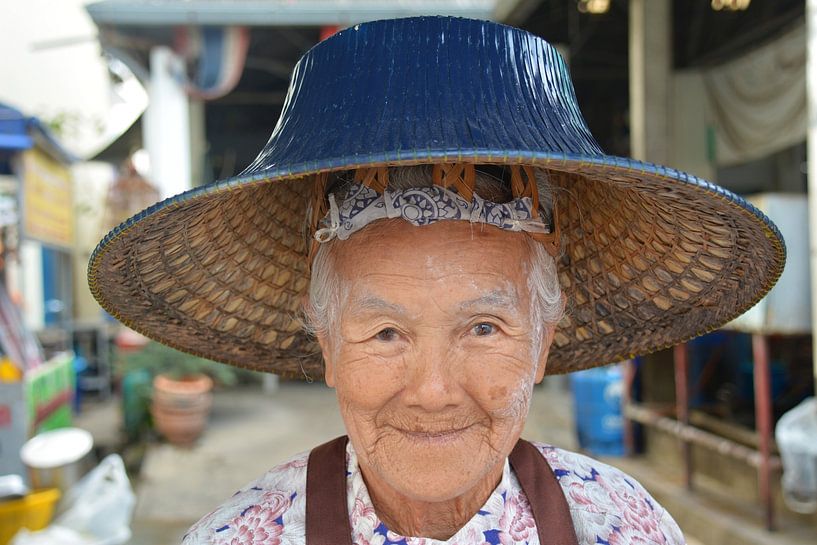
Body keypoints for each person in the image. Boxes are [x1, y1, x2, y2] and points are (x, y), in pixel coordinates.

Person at [88, 16, 785, 545]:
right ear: (327, 343)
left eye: (483, 327)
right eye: (385, 332)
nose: (432, 391)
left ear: (542, 341)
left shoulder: (622, 525)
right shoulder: (239, 537)